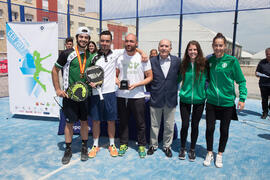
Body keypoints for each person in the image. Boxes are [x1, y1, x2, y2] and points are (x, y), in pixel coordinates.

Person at [88, 31, 147, 158]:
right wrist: (90, 82)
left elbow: (131, 46)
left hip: (110, 93)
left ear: (111, 42)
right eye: (102, 41)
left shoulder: (116, 53)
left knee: (111, 121)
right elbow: (89, 73)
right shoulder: (92, 57)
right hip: (95, 93)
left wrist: (142, 53)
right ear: (99, 41)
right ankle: (95, 145)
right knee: (96, 121)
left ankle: (112, 145)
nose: (104, 43)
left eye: (107, 41)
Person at [203, 33, 247, 168]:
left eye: (220, 45)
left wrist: (242, 98)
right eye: (215, 45)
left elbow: (241, 81)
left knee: (224, 129)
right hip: (211, 101)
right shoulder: (209, 61)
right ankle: (209, 152)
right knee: (209, 128)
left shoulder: (232, 61)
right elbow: (204, 77)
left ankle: (220, 154)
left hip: (227, 102)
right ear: (212, 46)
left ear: (225, 46)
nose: (218, 48)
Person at [52, 27, 95, 164]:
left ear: (89, 40)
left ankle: (84, 147)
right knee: (69, 123)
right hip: (69, 97)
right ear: (77, 38)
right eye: (81, 37)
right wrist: (58, 89)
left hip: (85, 96)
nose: (83, 40)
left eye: (86, 37)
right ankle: (68, 149)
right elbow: (54, 70)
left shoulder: (91, 55)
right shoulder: (67, 53)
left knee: (84, 122)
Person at [115, 33, 153, 158]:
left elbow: (150, 77)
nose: (128, 43)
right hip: (121, 95)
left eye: (131, 41)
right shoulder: (119, 57)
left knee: (140, 123)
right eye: (126, 41)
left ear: (136, 43)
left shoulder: (143, 58)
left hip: (138, 95)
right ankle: (123, 143)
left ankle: (141, 144)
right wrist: (118, 82)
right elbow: (114, 75)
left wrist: (137, 84)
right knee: (123, 122)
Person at [147, 39, 181, 158]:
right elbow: (148, 77)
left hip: (170, 99)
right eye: (162, 46)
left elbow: (180, 77)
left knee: (169, 125)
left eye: (166, 46)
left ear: (170, 48)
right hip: (156, 97)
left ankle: (167, 146)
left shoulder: (177, 61)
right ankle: (153, 145)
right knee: (154, 125)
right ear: (158, 47)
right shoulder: (151, 61)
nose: (164, 48)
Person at [178, 40, 207, 161]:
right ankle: (183, 147)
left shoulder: (204, 64)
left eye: (195, 49)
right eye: (190, 49)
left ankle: (192, 149)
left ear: (198, 51)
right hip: (185, 98)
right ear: (187, 51)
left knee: (195, 125)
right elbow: (177, 79)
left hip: (199, 100)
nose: (192, 52)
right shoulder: (183, 64)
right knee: (185, 125)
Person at [255, 48, 270, 119]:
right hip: (263, 84)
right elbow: (256, 72)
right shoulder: (262, 62)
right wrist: (259, 74)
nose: (268, 56)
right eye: (267, 54)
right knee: (264, 100)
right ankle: (265, 112)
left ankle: (269, 107)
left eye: (269, 54)